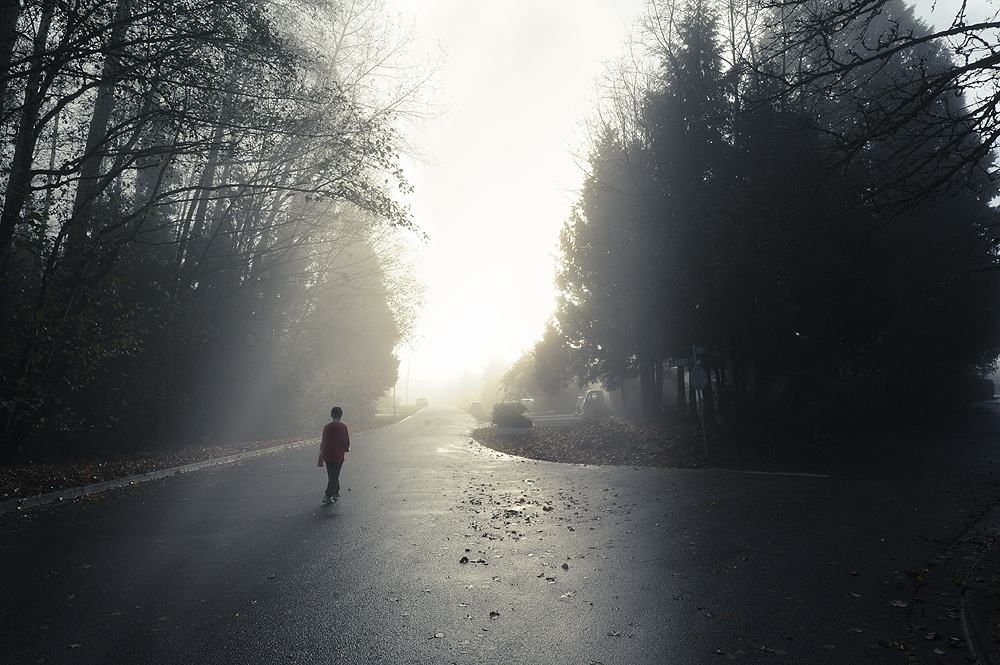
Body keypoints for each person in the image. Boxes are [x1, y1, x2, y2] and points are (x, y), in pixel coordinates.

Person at [318, 406, 351, 504]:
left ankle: (335, 492)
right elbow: (345, 440)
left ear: (331, 415)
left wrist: (321, 454)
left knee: (332, 475)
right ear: (341, 415)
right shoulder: (343, 427)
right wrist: (346, 448)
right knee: (335, 475)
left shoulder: (327, 427)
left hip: (328, 455)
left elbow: (324, 441)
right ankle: (328, 495)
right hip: (338, 455)